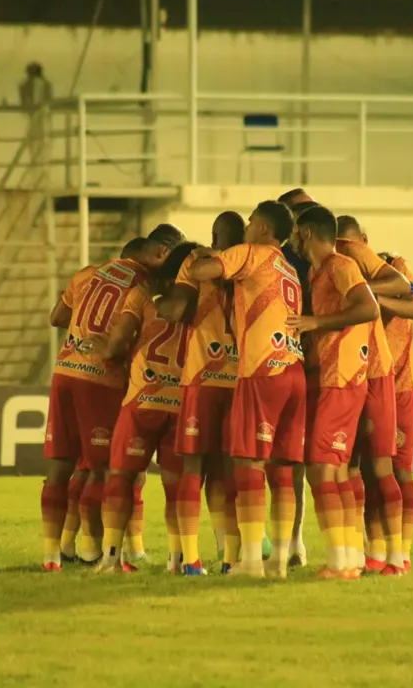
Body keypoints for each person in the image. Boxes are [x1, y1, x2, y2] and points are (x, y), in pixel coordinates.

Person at [185, 200, 306, 578]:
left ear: (265, 230)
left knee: (248, 464)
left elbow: (204, 270)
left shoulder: (251, 252)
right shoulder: (288, 268)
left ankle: (252, 561)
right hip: (294, 368)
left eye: (251, 221)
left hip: (261, 370)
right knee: (283, 469)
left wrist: (205, 256)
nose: (247, 227)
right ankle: (280, 561)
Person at [40, 236, 173, 572]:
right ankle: (91, 552)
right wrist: (118, 356)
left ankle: (52, 556)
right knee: (102, 469)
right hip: (101, 379)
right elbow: (117, 345)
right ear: (158, 252)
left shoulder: (88, 273)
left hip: (64, 371)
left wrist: (82, 334)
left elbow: (57, 316)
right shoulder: (142, 286)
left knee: (60, 468)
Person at [93, 243, 200, 574]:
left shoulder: (142, 295)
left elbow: (117, 343)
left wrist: (105, 348)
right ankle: (177, 559)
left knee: (121, 477)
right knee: (176, 485)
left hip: (143, 399)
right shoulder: (202, 302)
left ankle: (111, 559)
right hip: (181, 402)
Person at [287, 206, 380, 579]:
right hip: (330, 375)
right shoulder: (316, 271)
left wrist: (317, 322)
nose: (292, 238)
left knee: (322, 468)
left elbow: (369, 308)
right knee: (336, 471)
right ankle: (349, 557)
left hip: (342, 378)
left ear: (306, 234)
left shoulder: (341, 265)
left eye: (296, 232)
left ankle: (341, 563)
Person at [158, 212, 246, 575]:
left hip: (202, 377)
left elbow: (175, 310)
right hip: (241, 377)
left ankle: (191, 560)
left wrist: (155, 299)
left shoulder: (197, 261)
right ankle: (229, 559)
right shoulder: (250, 262)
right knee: (228, 473)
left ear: (214, 235)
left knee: (192, 468)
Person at [338, 215, 413, 573]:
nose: (348, 254)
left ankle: (400, 554)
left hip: (398, 383)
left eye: (353, 246)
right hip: (358, 377)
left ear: (365, 241)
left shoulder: (393, 268)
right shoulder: (340, 273)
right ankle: (370, 553)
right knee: (357, 469)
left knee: (396, 471)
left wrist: (370, 297)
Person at [276, 189, 318, 567]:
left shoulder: (327, 257)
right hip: (291, 363)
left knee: (293, 459)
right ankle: (280, 542)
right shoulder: (280, 256)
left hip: (307, 365)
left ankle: (293, 541)